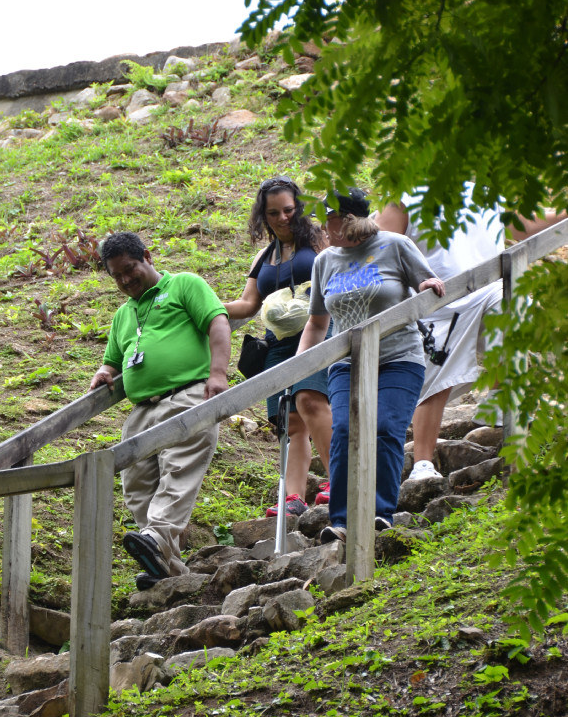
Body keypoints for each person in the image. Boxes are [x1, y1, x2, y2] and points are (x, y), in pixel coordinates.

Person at [375, 188, 567, 480]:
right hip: (435, 300)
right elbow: (380, 246)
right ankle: (423, 463)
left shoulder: (489, 188)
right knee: (434, 383)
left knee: (515, 298)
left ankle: (503, 404)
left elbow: (525, 226)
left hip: (487, 286)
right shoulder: (406, 191)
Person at [296, 188, 445, 543]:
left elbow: (426, 282)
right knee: (344, 431)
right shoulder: (325, 261)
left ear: (351, 219)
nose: (325, 227)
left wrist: (425, 285)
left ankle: (380, 512)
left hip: (398, 357)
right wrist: (299, 369)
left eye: (330, 219)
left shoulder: (394, 245)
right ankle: (343, 519)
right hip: (346, 362)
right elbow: (317, 323)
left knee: (384, 427)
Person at [90, 231, 230, 590]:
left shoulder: (184, 285)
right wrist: (105, 371)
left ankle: (156, 540)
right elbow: (113, 361)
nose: (125, 281)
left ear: (147, 257)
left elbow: (218, 322)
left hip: (186, 396)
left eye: (130, 269)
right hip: (141, 411)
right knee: (137, 486)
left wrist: (217, 374)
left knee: (178, 470)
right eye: (116, 276)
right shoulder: (123, 314)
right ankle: (166, 566)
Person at [224, 177, 333, 516]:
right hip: (277, 343)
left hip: (318, 331)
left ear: (299, 207)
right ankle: (294, 497)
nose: (283, 218)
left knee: (311, 401)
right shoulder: (264, 257)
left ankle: (338, 479)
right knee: (289, 420)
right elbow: (247, 304)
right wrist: (203, 307)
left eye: (288, 210)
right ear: (264, 216)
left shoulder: (320, 240)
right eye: (273, 213)